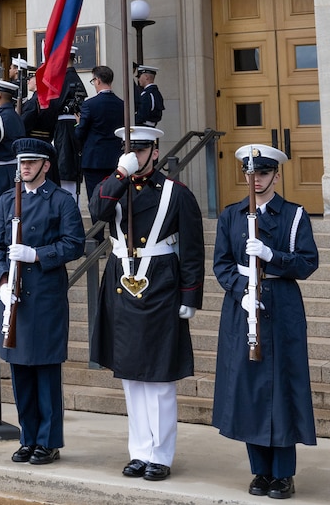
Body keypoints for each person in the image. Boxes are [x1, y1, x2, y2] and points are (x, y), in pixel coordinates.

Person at [90, 127, 204, 482]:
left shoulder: (176, 193)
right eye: (129, 149)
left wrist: (190, 295)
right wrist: (120, 174)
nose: (135, 155)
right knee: (131, 378)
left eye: (140, 150)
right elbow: (97, 212)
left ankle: (161, 454)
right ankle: (139, 451)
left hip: (159, 284)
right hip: (123, 282)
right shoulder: (115, 185)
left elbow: (193, 250)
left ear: (155, 151)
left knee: (158, 379)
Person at [212, 144, 318, 500]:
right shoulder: (231, 215)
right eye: (250, 173)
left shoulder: (294, 214)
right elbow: (222, 264)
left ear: (276, 174)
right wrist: (242, 288)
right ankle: (260, 471)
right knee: (251, 390)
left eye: (263, 173)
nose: (255, 180)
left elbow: (306, 263)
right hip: (243, 307)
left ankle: (283, 474)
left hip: (281, 306)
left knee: (283, 389)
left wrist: (273, 257)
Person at [0, 138, 85, 466]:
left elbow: (75, 244)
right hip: (14, 299)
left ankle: (48, 440)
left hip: (44, 297)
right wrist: (2, 280)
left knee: (45, 373)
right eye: (21, 162)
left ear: (46, 165)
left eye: (32, 162)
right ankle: (28, 437)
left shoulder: (61, 201)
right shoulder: (6, 201)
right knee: (21, 375)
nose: (24, 167)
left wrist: (37, 254)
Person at [75, 65, 124, 200]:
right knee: (114, 198)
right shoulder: (121, 104)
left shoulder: (89, 104)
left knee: (96, 198)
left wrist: (78, 124)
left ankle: (98, 222)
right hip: (115, 159)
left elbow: (80, 133)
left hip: (94, 160)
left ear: (97, 80)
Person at [53, 48, 89, 199]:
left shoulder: (64, 79)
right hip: (72, 126)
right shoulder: (76, 78)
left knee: (65, 170)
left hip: (63, 129)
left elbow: (55, 104)